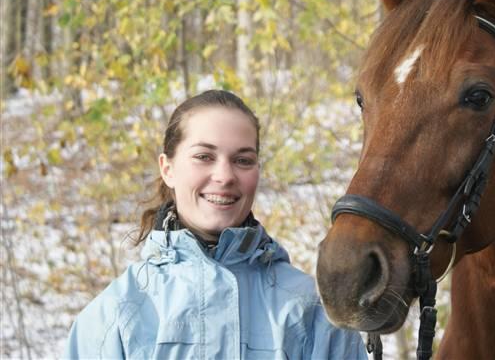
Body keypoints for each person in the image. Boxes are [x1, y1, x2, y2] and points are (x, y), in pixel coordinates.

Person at [64, 89, 367, 359]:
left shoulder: (310, 311)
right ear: (167, 168)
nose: (225, 176)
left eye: (243, 160)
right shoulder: (116, 315)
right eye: (204, 156)